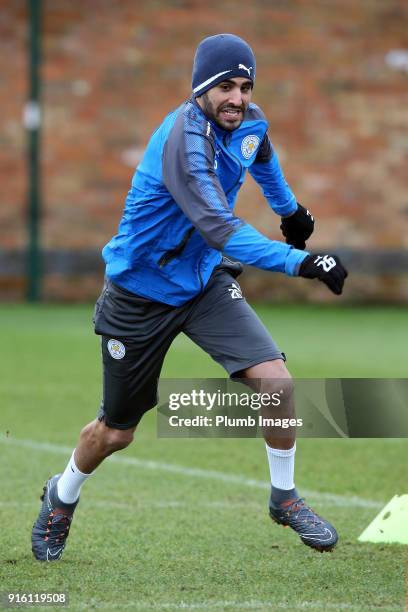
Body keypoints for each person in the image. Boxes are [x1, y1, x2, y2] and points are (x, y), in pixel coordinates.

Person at [32, 33, 348, 562]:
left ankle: (285, 497)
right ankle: (61, 497)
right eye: (226, 85)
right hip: (140, 294)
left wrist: (289, 210)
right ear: (202, 87)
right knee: (115, 433)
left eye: (246, 86)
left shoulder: (248, 119)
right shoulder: (185, 141)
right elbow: (220, 228)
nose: (239, 97)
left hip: (203, 283)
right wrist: (301, 260)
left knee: (276, 384)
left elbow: (260, 150)